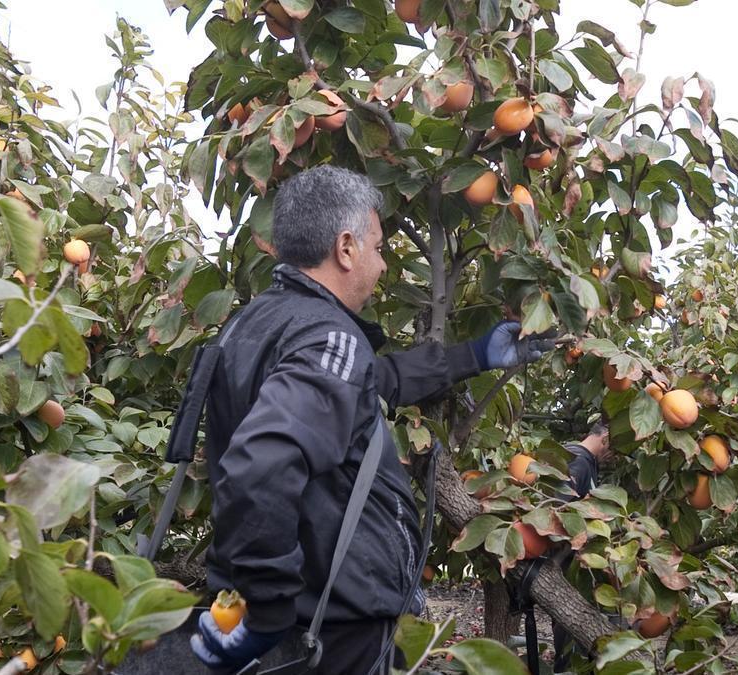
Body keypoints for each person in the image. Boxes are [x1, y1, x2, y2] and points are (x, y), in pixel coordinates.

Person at [187, 165, 554, 675]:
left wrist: (476, 354)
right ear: (345, 248)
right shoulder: (327, 336)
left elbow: (367, 383)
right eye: (378, 247)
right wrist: (268, 605)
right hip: (330, 626)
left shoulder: (258, 321)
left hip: (301, 615)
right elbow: (260, 466)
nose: (381, 265)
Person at [553, 419, 613, 671]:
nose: (614, 457)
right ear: (605, 439)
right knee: (572, 641)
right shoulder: (579, 461)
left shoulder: (580, 459)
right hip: (568, 567)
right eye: (614, 450)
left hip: (572, 567)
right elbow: (559, 510)